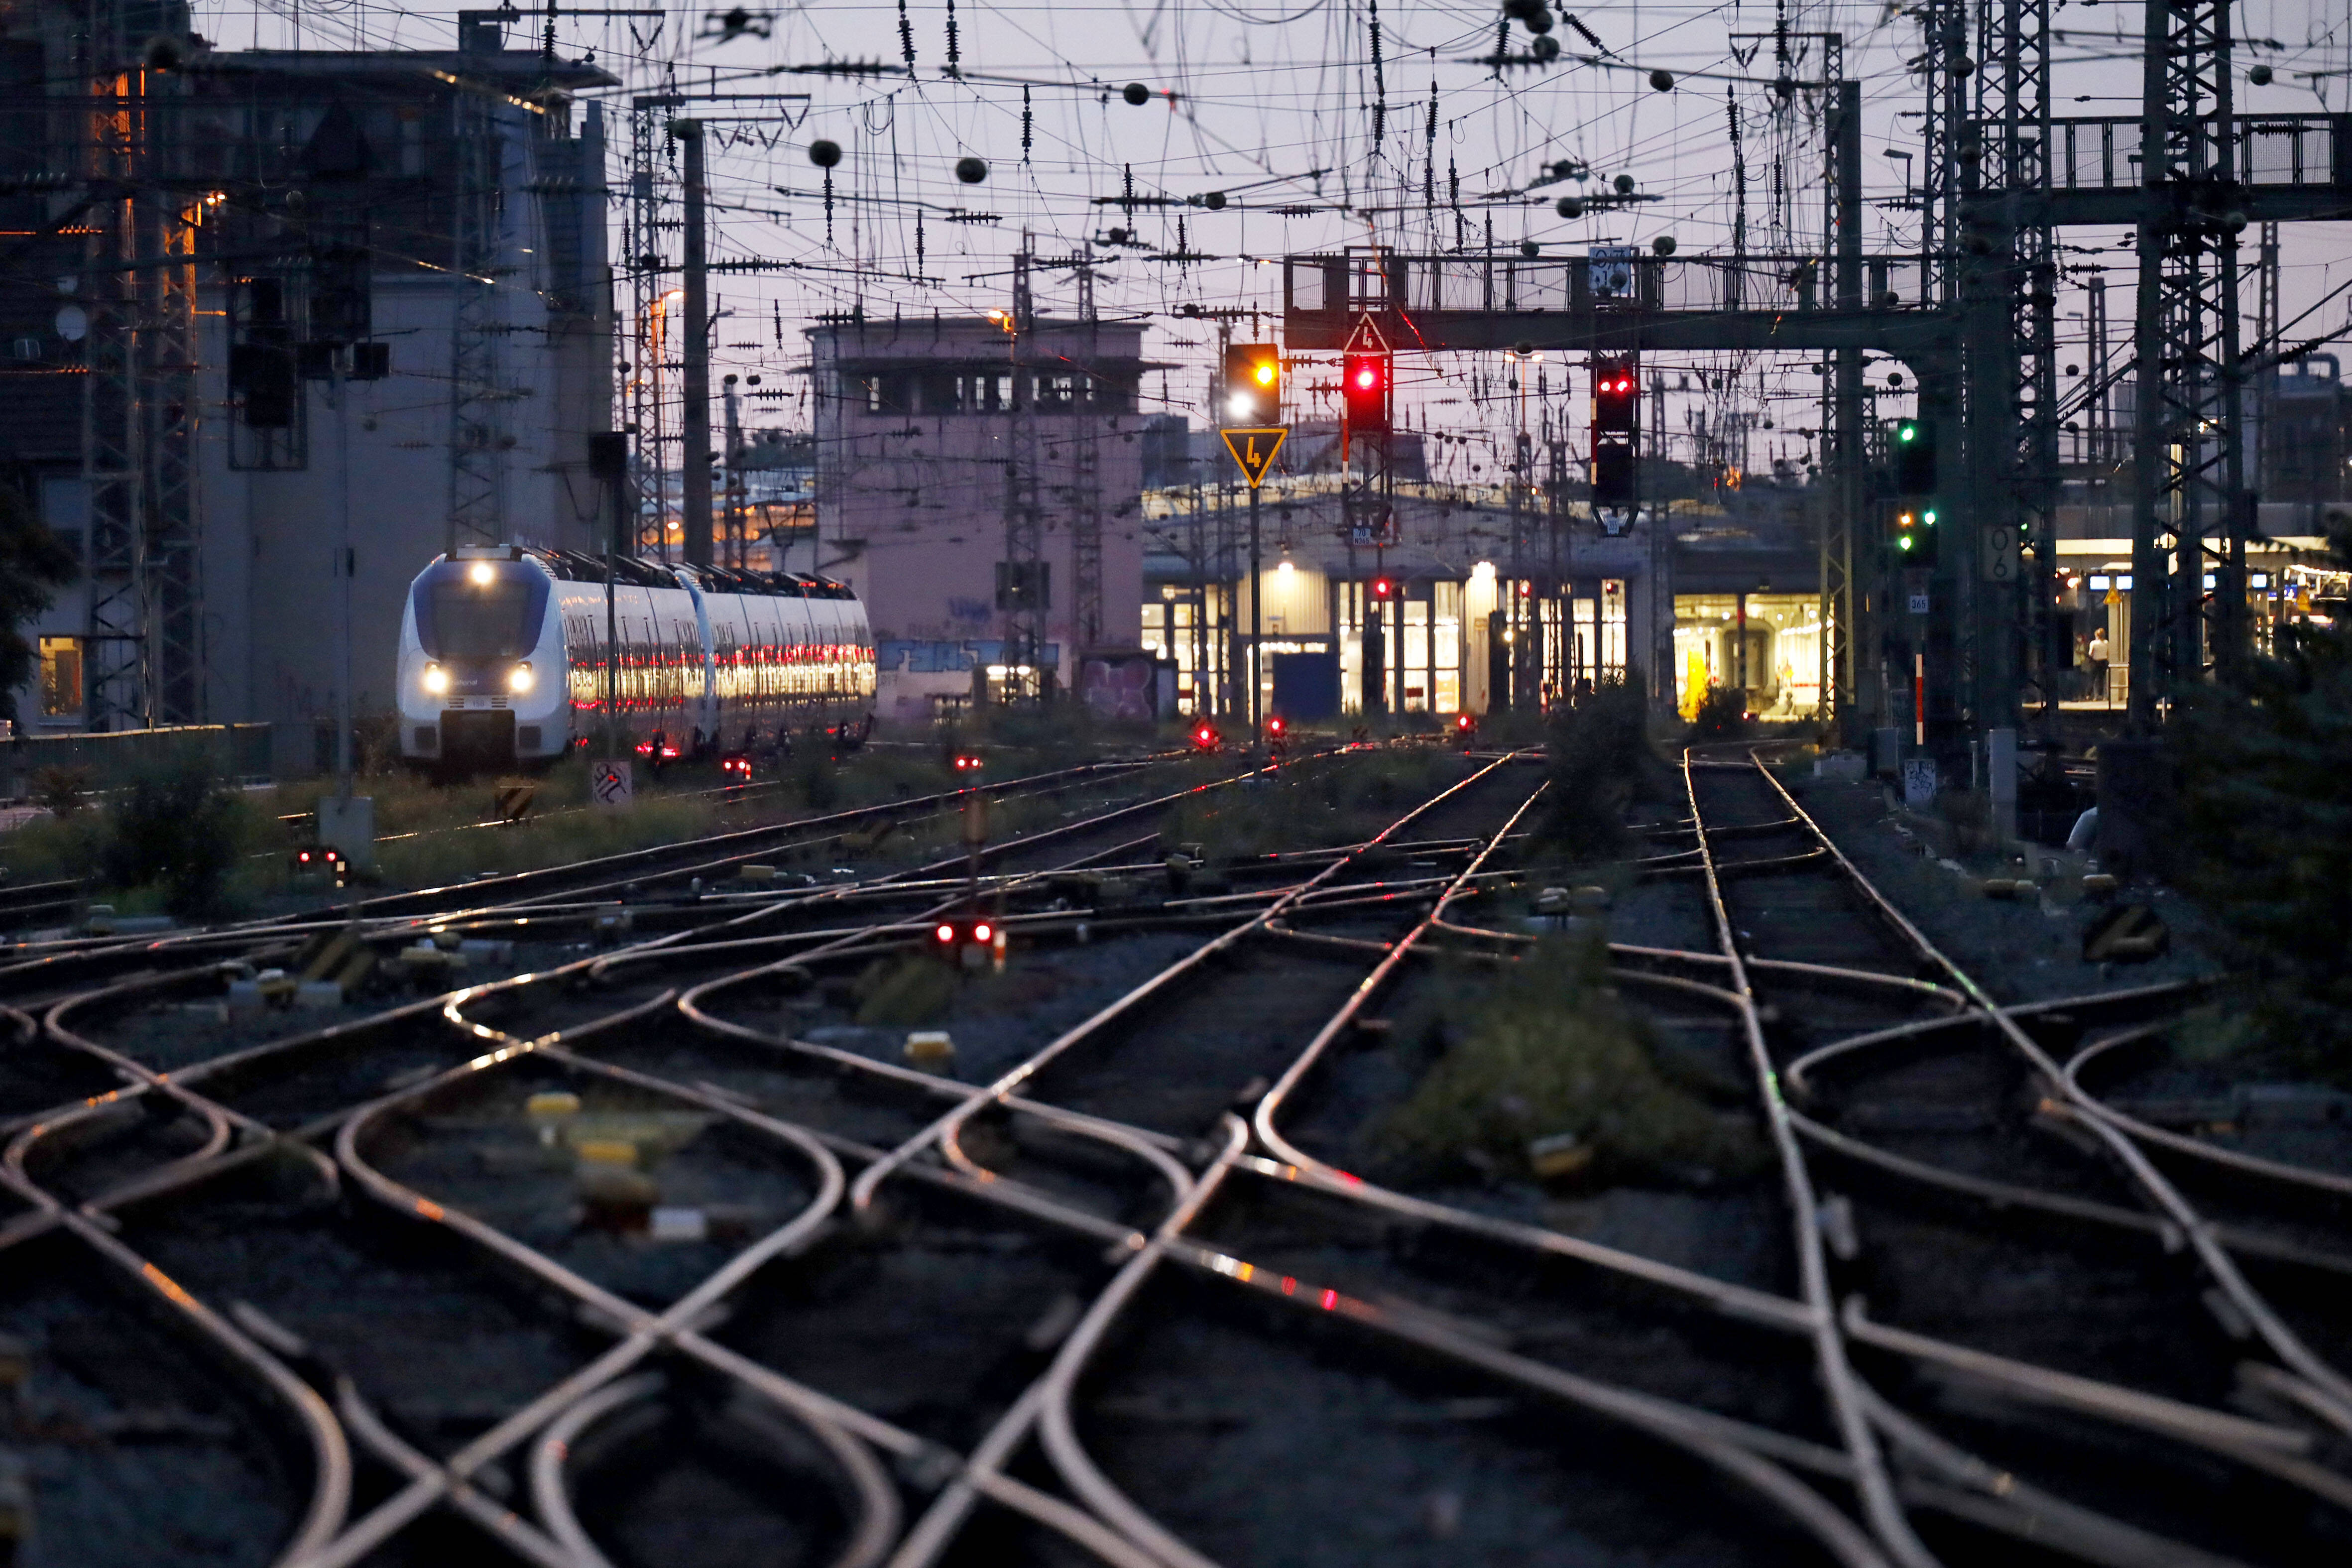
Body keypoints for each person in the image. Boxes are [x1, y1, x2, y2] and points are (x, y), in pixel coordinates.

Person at [2086, 626, 2110, 702]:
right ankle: (2102, 695)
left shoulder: (2093, 643)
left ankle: (2090, 695)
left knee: (2093, 678)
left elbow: (2090, 653)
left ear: (2096, 635)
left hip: (2095, 662)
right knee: (2101, 679)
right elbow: (2108, 652)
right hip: (2104, 662)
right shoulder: (2106, 643)